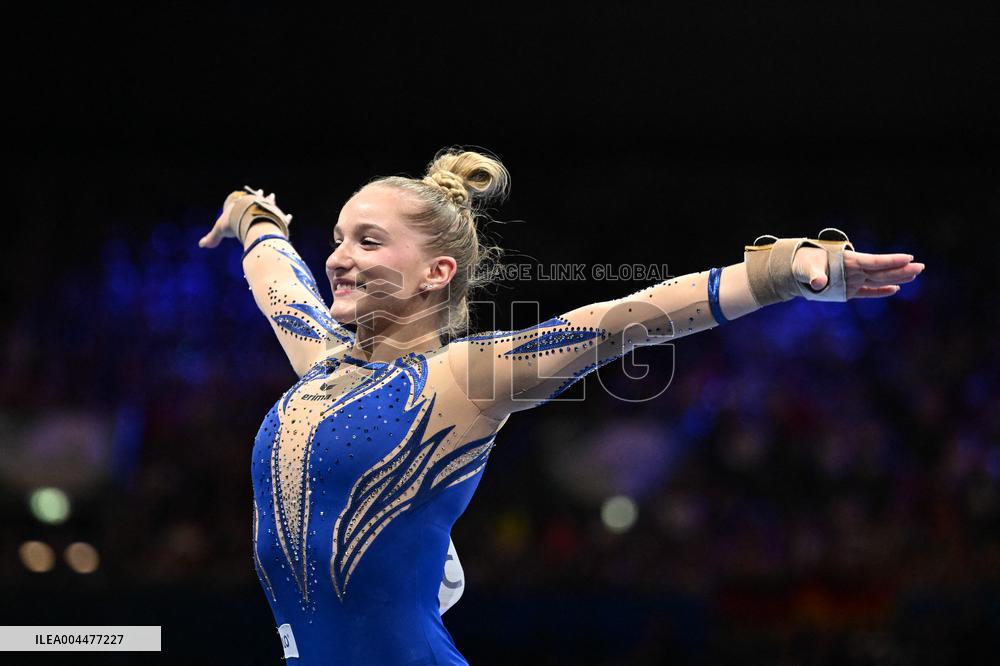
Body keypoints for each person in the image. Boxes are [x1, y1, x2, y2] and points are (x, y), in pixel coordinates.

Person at [198, 148, 923, 665]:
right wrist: (252, 215)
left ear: (435, 273)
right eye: (338, 238)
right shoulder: (320, 361)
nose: (339, 256)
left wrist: (793, 269)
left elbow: (623, 318)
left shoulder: (464, 378)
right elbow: (276, 274)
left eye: (368, 240)